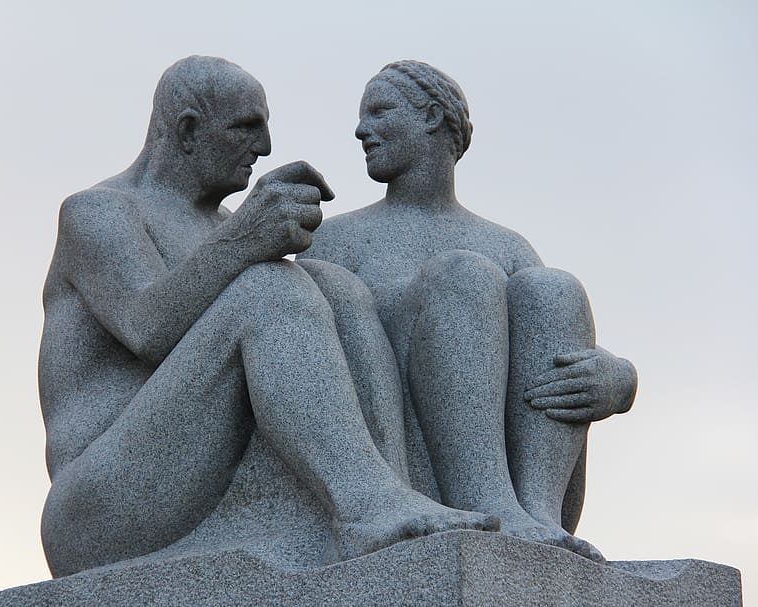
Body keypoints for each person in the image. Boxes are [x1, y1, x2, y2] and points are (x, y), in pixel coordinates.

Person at [38, 56, 498, 578]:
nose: (264, 147)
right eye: (245, 128)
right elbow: (145, 327)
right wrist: (244, 243)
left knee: (336, 287)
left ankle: (390, 493)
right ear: (188, 130)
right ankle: (367, 503)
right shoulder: (100, 212)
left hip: (196, 483)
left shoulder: (226, 226)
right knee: (268, 288)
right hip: (98, 508)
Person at [301, 60, 637, 560]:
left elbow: (543, 347)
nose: (360, 130)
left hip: (532, 493)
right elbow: (304, 354)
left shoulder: (506, 245)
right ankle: (485, 499)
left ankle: (536, 510)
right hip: (404, 461)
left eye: (380, 111)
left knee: (554, 289)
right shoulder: (336, 239)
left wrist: (619, 380)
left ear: (432, 115)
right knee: (465, 274)